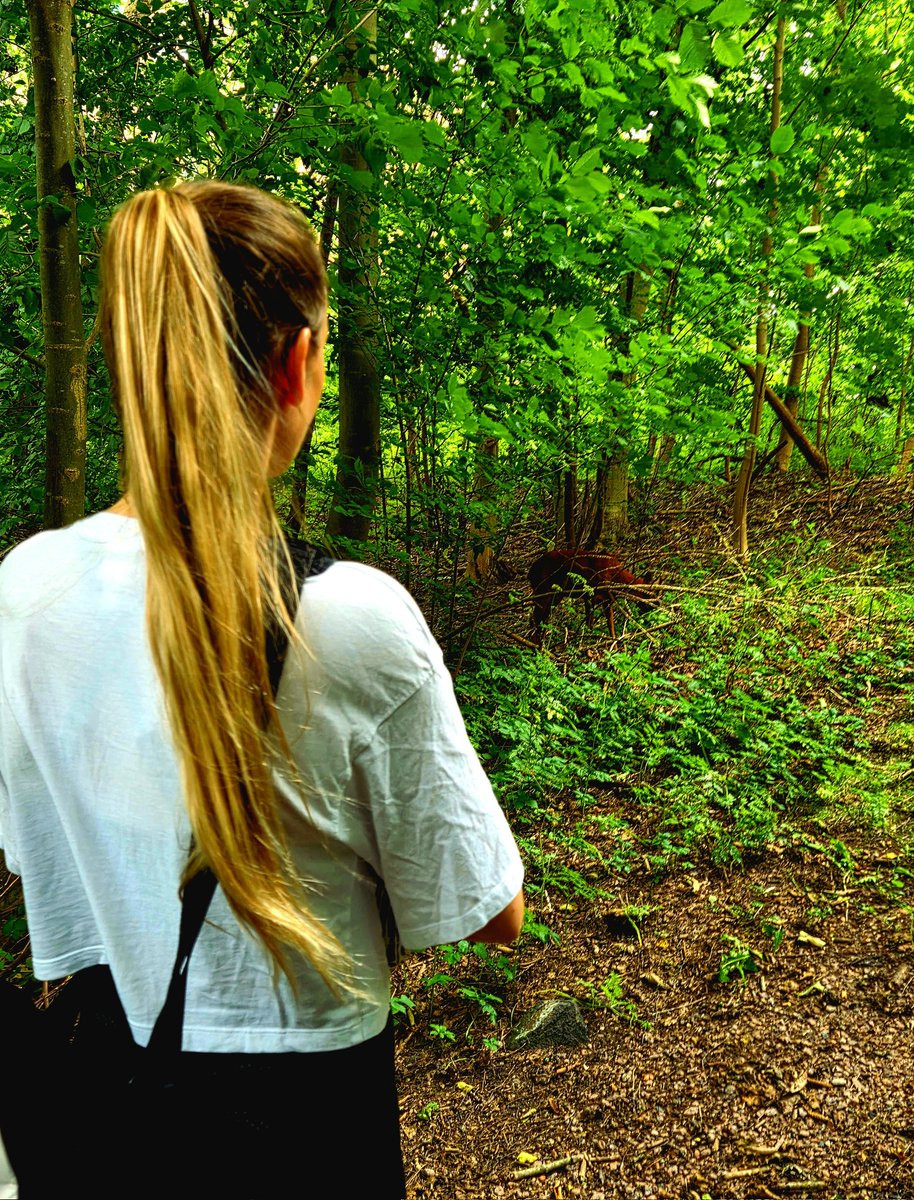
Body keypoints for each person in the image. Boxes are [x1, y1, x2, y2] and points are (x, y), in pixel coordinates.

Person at [0, 182, 524, 1198]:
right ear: (299, 362)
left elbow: (41, 849)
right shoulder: (351, 615)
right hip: (304, 1123)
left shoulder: (25, 593)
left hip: (100, 1103)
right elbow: (486, 910)